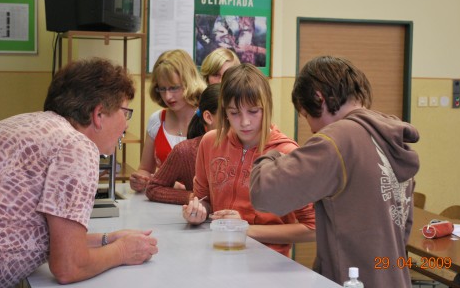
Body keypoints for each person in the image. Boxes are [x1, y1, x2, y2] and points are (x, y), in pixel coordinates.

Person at [249, 56, 420, 287]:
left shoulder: (337, 140)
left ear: (319, 98)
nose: (310, 127)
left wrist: (272, 151)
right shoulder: (390, 138)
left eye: (306, 115)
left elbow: (265, 193)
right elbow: (404, 226)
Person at [0, 58, 158, 288]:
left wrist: (106, 240)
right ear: (99, 114)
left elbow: (60, 242)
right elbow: (68, 266)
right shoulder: (76, 147)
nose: (126, 125)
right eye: (125, 112)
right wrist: (123, 251)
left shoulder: (29, 124)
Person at [182, 63, 316, 257]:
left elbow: (312, 228)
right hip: (219, 253)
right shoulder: (210, 143)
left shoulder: (287, 153)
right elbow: (203, 199)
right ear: (224, 111)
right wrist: (197, 210)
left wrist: (245, 229)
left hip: (268, 262)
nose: (244, 122)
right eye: (234, 113)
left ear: (267, 107)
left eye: (254, 111)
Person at [130, 49, 206, 192]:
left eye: (174, 88)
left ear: (189, 81)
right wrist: (140, 180)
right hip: (161, 205)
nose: (168, 96)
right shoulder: (157, 120)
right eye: (162, 89)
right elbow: (145, 169)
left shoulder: (208, 119)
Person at [146, 83, 221, 205]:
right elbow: (153, 188)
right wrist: (191, 197)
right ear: (208, 117)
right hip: (200, 221)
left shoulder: (247, 147)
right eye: (230, 114)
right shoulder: (185, 151)